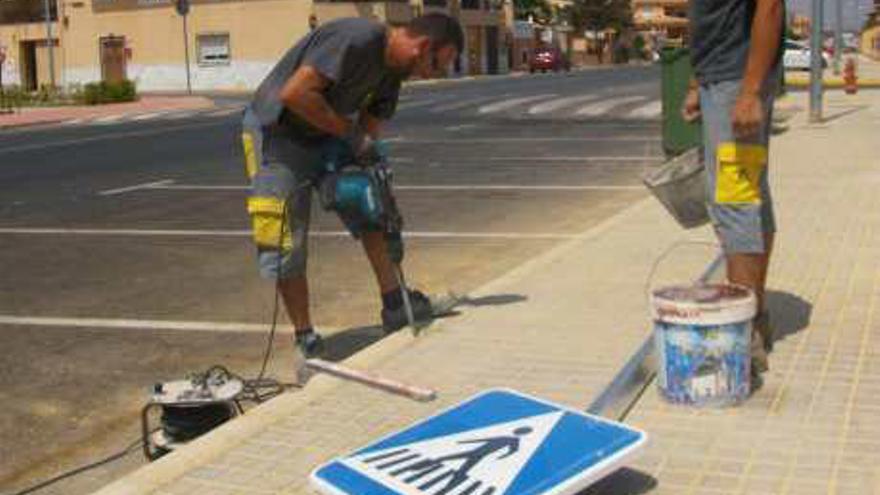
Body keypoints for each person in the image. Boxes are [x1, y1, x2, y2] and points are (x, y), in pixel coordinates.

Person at [240, 14, 464, 357]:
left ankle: (394, 304)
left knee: (371, 203)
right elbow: (295, 94)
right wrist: (350, 136)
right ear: (423, 46)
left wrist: (376, 183)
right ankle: (306, 340)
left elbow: (369, 131)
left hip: (326, 132)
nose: (431, 75)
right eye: (436, 65)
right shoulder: (356, 37)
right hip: (277, 133)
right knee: (285, 238)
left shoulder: (393, 74)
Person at [682, 0, 785, 376]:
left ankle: (741, 339)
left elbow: (770, 6)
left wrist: (750, 91)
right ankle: (754, 315)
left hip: (736, 80)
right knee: (750, 194)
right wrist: (697, 80)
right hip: (721, 77)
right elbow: (710, 18)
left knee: (734, 200)